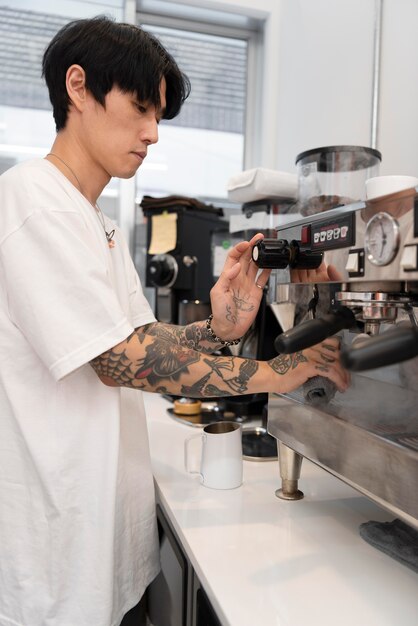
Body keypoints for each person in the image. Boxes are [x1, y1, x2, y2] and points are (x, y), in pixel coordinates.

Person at [0, 15, 349, 626]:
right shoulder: (33, 200)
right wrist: (277, 371)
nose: (153, 133)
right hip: (61, 568)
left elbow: (136, 336)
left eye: (158, 116)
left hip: (108, 548)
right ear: (77, 88)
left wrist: (219, 325)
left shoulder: (96, 219)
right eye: (140, 109)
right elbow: (117, 362)